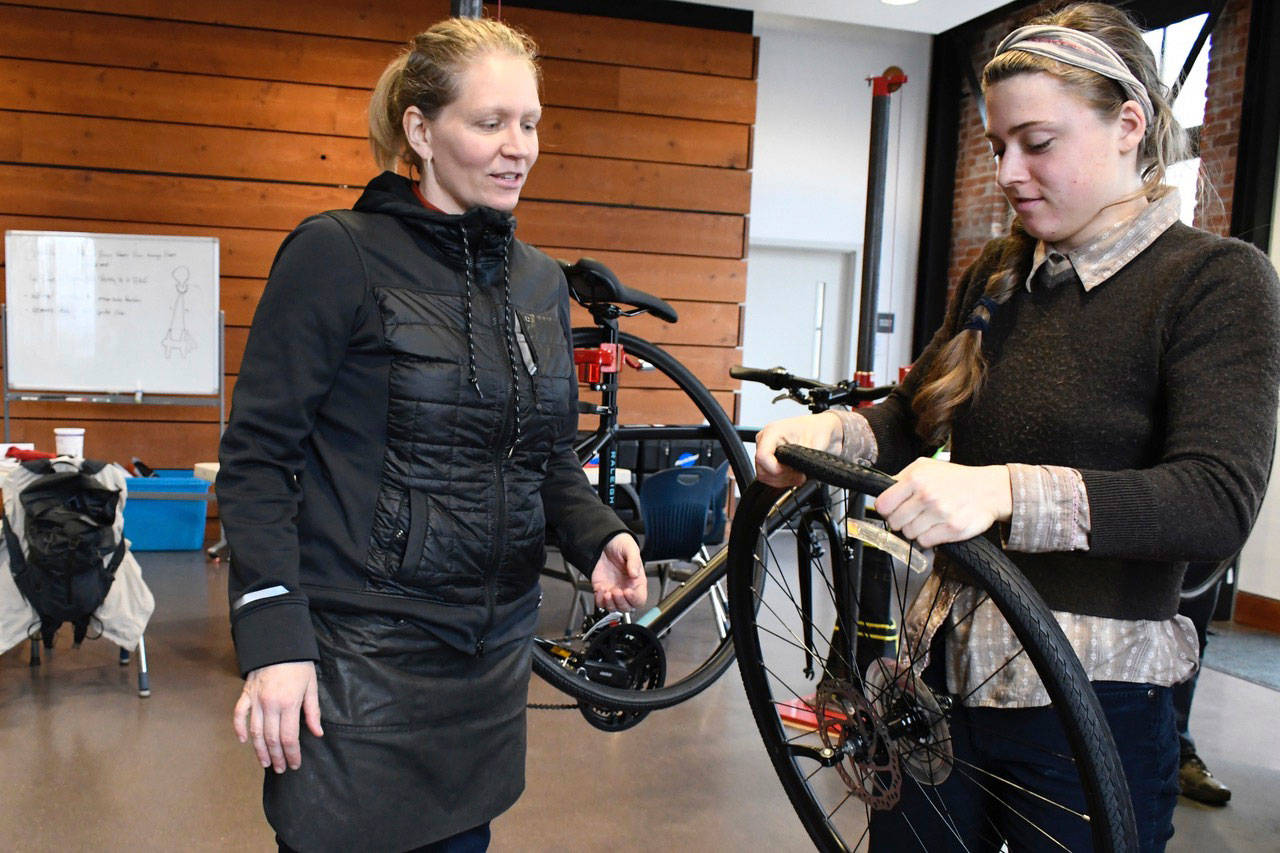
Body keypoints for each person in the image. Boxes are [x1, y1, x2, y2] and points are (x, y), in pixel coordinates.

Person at [755, 3, 1279, 850]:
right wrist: (825, 440)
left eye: (1036, 144)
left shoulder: (1215, 282)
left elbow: (1215, 500)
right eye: (998, 146)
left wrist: (999, 490)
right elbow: (910, 415)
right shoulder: (1002, 273)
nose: (1006, 170)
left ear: (1128, 126)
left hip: (1092, 704)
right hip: (938, 679)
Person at [216, 17, 645, 853]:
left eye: (529, 123)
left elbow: (543, 452)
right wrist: (274, 642)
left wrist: (597, 534)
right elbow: (258, 460)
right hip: (359, 667)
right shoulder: (336, 254)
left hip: (486, 671)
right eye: (489, 123)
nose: (516, 146)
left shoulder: (537, 280)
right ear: (421, 130)